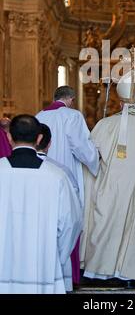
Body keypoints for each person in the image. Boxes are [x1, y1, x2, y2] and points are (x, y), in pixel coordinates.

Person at [82, 69, 135, 283]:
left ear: (119, 102)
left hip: (113, 189)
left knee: (109, 221)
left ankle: (104, 270)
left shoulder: (105, 124)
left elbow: (91, 157)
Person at [0, 115, 82, 294]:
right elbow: (72, 224)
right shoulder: (57, 176)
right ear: (38, 138)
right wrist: (55, 257)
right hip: (43, 270)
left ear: (9, 137)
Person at [36, 85, 99, 284]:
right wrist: (95, 157)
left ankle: (46, 273)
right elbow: (81, 145)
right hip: (66, 175)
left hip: (42, 175)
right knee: (69, 223)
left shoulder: (38, 116)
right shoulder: (72, 116)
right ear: (71, 99)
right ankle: (68, 276)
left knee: (46, 223)